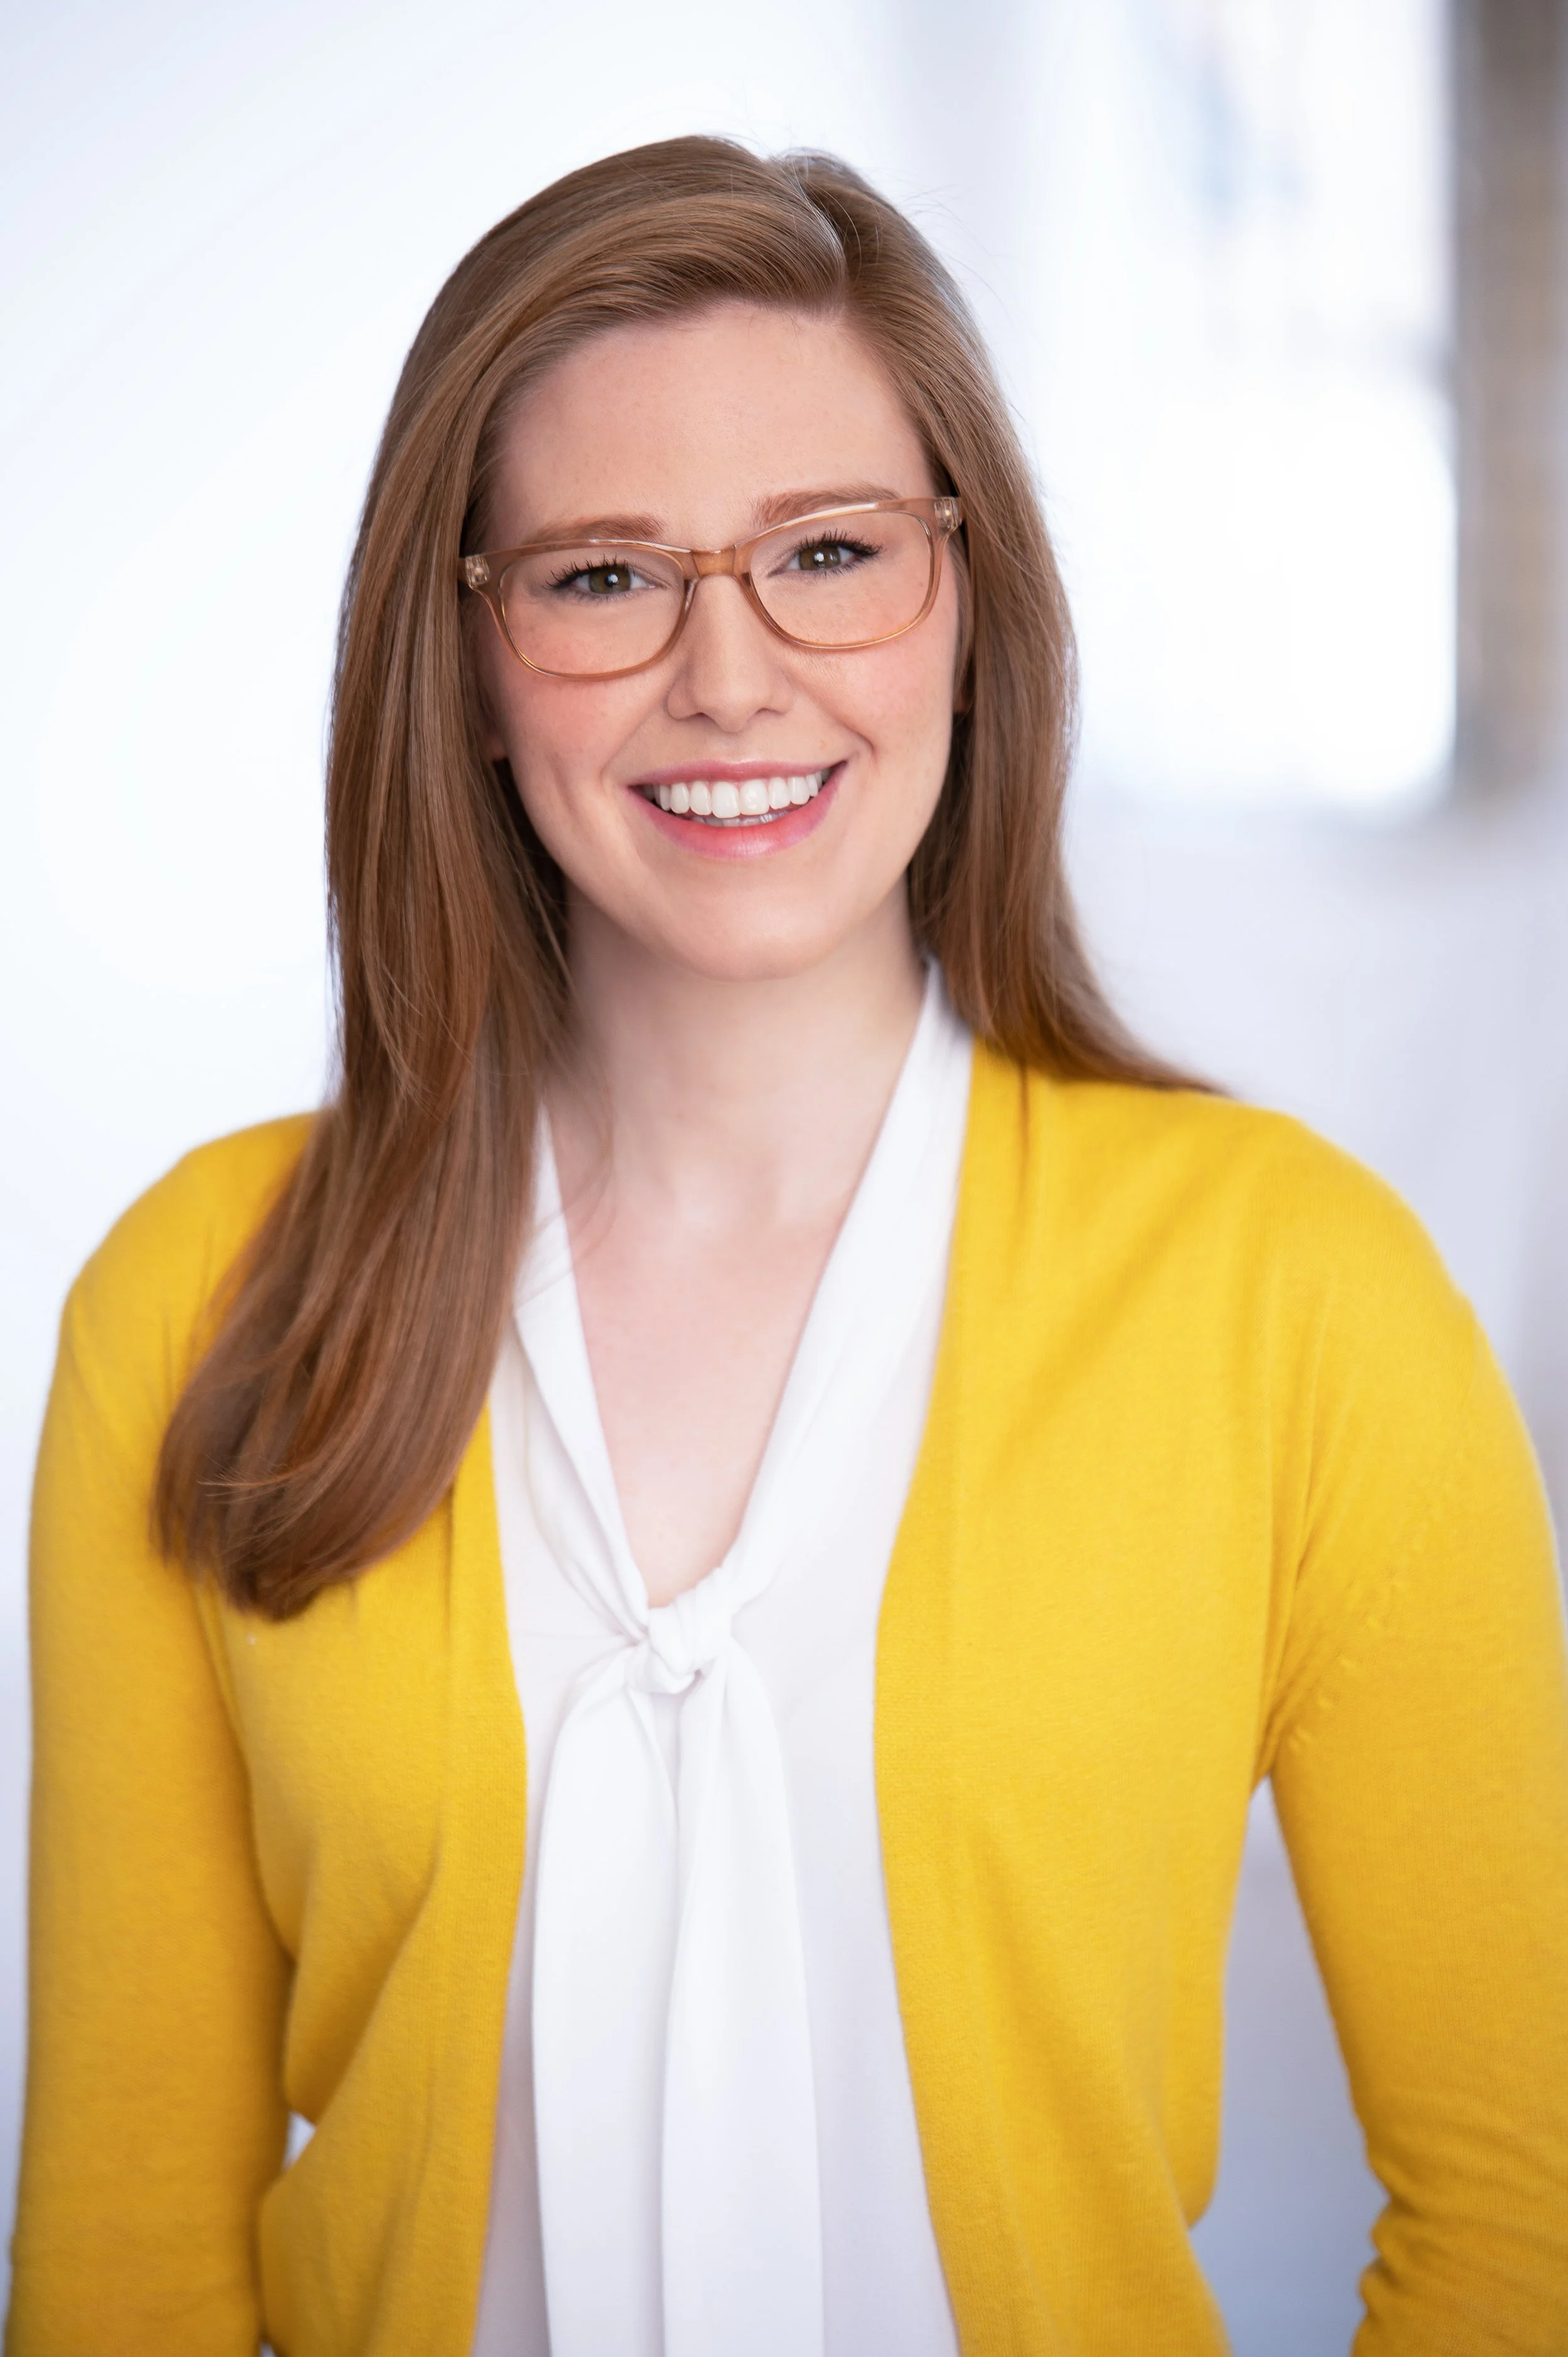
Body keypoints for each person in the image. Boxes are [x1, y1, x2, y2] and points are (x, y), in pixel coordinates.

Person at [9, 136, 1568, 2357]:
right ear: (462, 651)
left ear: (966, 599)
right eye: (603, 578)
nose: (729, 678)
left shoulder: (1297, 1300)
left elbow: (1524, 2219)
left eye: (827, 552)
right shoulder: (195, 1305)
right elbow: (122, 2264)